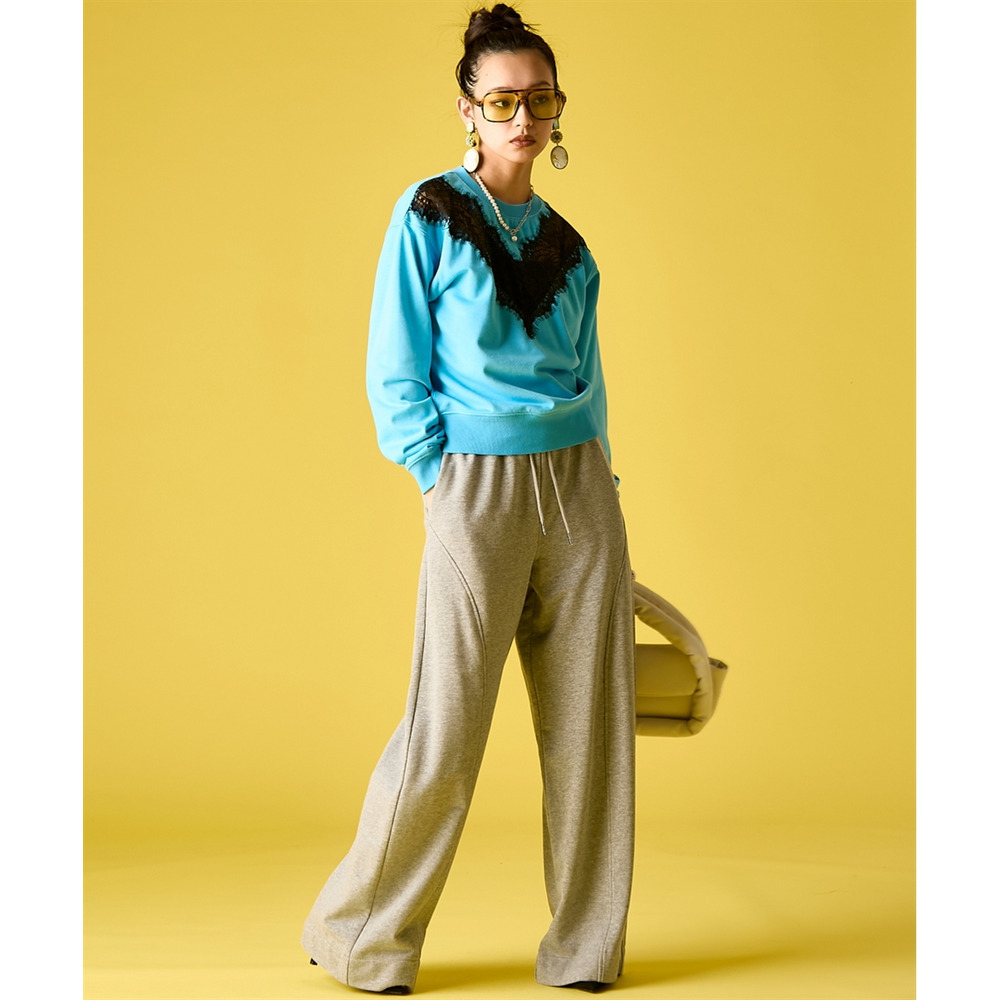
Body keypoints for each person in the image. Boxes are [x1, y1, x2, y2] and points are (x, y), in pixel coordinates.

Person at [302, 5, 635, 994]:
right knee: (443, 726)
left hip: (580, 487)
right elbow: (394, 364)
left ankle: (585, 953)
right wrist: (434, 469)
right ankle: (362, 936)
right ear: (468, 109)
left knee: (592, 736)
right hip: (475, 484)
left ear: (558, 107)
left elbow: (589, 379)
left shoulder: (570, 245)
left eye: (539, 99)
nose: (522, 117)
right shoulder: (429, 213)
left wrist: (605, 492)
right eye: (501, 100)